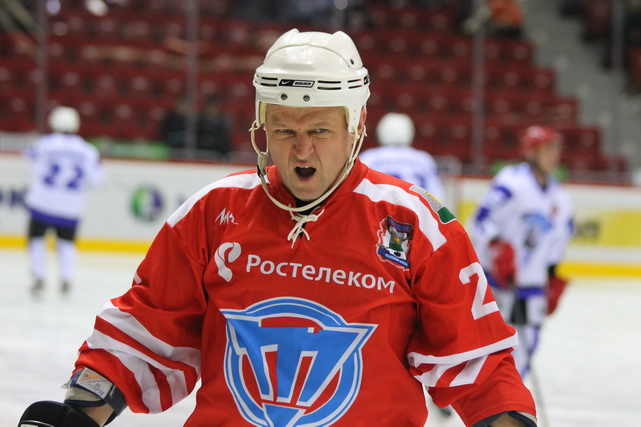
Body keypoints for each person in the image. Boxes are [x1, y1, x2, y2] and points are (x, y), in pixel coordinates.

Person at [19, 29, 537, 427]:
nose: (301, 149)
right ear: (261, 125)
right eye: (284, 130)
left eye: (319, 130)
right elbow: (145, 331)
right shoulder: (214, 211)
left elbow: (478, 365)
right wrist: (79, 410)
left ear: (356, 125)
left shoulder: (415, 225)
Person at [468, 125, 574, 378]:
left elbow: (559, 241)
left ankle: (509, 400)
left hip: (532, 286)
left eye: (555, 149)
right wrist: (496, 246)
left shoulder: (560, 198)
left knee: (525, 352)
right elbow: (479, 220)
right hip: (496, 283)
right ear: (531, 152)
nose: (553, 155)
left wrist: (551, 274)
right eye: (547, 149)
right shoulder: (511, 183)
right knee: (484, 350)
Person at [24, 106, 104, 296]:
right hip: (71, 206)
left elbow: (32, 163)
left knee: (36, 239)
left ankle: (38, 276)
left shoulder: (44, 144)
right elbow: (97, 179)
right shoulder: (88, 150)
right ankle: (66, 278)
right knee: (67, 243)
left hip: (42, 202)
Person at [359, 112, 445, 201]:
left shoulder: (369, 157)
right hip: (415, 208)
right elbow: (436, 196)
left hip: (380, 208)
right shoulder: (424, 159)